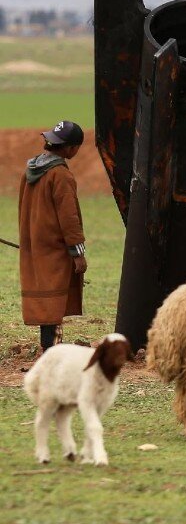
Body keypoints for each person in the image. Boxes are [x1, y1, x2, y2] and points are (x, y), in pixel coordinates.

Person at [19, 121, 87, 354]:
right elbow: (70, 219)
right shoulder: (61, 175)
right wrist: (78, 253)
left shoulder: (31, 170)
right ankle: (52, 349)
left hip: (35, 243)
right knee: (54, 296)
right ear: (71, 149)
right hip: (55, 247)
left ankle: (48, 345)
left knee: (46, 294)